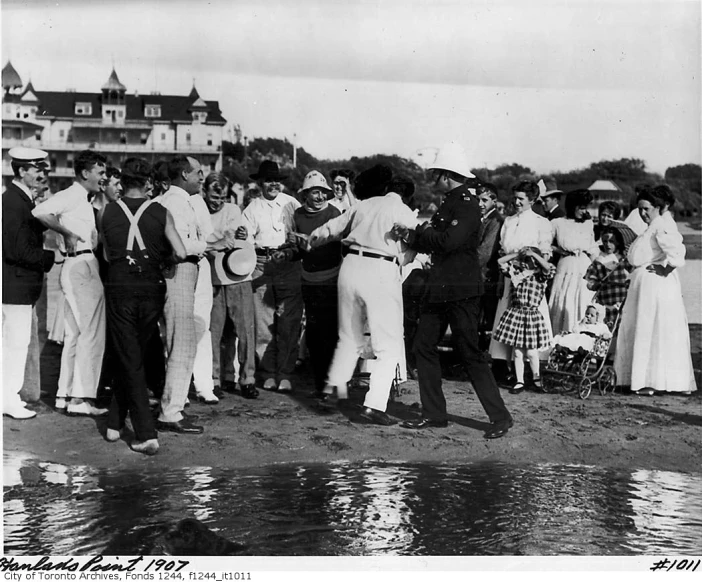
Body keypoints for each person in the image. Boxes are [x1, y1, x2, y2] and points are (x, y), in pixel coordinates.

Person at [393, 142, 513, 439]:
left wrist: (418, 233)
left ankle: (500, 417)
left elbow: (447, 241)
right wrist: (416, 235)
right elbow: (438, 238)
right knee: (423, 345)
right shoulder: (452, 203)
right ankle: (434, 413)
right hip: (442, 287)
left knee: (470, 352)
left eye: (437, 175)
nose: (434, 181)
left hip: (460, 289)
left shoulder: (466, 204)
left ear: (447, 176)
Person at [308, 165, 417, 425]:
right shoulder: (401, 210)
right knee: (388, 344)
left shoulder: (364, 205)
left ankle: (333, 389)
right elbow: (415, 244)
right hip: (380, 268)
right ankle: (374, 405)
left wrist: (312, 238)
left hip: (350, 267)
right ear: (407, 196)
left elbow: (330, 228)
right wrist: (404, 259)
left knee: (349, 336)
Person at [101, 157, 187, 455]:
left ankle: (143, 432)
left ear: (122, 182)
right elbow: (181, 251)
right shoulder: (161, 211)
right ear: (148, 182)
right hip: (152, 286)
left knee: (128, 355)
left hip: (120, 286)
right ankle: (118, 423)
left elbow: (106, 252)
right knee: (133, 353)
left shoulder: (107, 211)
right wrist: (163, 260)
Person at [33, 150, 108, 416]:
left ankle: (65, 396)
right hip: (81, 266)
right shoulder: (73, 195)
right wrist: (66, 233)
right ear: (85, 173)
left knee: (75, 335)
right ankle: (81, 399)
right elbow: (41, 211)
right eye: (100, 172)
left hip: (79, 266)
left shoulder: (84, 199)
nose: (104, 177)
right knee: (91, 333)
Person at [614, 186, 697, 396]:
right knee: (647, 328)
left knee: (651, 328)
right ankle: (645, 380)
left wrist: (666, 267)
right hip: (645, 284)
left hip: (655, 284)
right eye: (640, 209)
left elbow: (678, 253)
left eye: (647, 209)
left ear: (659, 208)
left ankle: (650, 381)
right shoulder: (653, 225)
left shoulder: (662, 225)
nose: (643, 213)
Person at [2, 147, 55, 419]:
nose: (42, 174)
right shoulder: (14, 201)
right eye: (37, 169)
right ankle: (8, 399)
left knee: (11, 342)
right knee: (15, 343)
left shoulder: (19, 199)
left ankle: (8, 397)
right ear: (22, 171)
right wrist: (49, 257)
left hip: (16, 286)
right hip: (16, 285)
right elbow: (15, 250)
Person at [156, 155, 208, 434]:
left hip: (181, 273)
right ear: (184, 174)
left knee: (178, 341)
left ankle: (171, 403)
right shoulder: (174, 202)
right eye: (198, 173)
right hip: (177, 271)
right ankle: (170, 412)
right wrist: (206, 245)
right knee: (182, 342)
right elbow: (177, 244)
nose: (202, 178)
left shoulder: (178, 200)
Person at [242, 160, 303, 392]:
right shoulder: (252, 208)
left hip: (288, 262)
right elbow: (245, 240)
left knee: (288, 320)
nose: (273, 184)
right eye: (268, 180)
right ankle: (267, 372)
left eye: (276, 180)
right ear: (260, 183)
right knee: (264, 322)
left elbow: (302, 231)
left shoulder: (292, 204)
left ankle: (285, 372)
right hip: (261, 262)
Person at [489, 180, 553, 375]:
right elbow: (503, 248)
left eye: (521, 198)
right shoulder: (508, 221)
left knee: (529, 320)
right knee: (506, 318)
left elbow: (545, 253)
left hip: (531, 280)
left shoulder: (541, 223)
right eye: (514, 198)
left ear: (532, 200)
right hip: (510, 275)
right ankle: (505, 365)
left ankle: (530, 369)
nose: (516, 202)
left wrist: (529, 261)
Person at [204, 172, 258, 399]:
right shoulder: (197, 209)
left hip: (237, 276)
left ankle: (247, 379)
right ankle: (215, 379)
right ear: (204, 192)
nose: (217, 202)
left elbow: (231, 237)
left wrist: (213, 241)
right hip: (212, 278)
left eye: (222, 197)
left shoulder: (234, 210)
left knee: (245, 331)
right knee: (214, 333)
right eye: (213, 196)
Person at [291, 170, 343, 398]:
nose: (320, 197)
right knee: (313, 334)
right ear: (306, 194)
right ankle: (319, 384)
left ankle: (334, 385)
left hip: (331, 279)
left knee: (330, 333)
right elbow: (294, 249)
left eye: (323, 192)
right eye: (315, 192)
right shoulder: (297, 215)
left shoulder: (335, 212)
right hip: (308, 280)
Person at [493, 247, 556, 394]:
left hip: (531, 316)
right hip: (517, 314)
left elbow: (549, 267)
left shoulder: (540, 276)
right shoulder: (517, 274)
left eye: (532, 260)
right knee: (517, 352)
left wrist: (534, 254)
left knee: (532, 352)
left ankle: (536, 378)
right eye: (526, 260)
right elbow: (500, 261)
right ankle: (519, 380)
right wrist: (518, 254)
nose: (529, 263)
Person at [549, 189, 599, 337]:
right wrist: (558, 250)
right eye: (581, 207)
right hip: (566, 265)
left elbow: (592, 246)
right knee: (563, 300)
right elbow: (544, 244)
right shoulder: (557, 223)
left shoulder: (588, 223)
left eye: (586, 207)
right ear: (572, 206)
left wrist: (596, 267)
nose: (584, 211)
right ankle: (560, 341)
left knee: (582, 300)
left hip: (583, 265)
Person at [584, 226, 631, 325]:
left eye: (611, 241)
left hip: (622, 298)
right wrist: (595, 284)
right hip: (605, 299)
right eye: (605, 241)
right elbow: (590, 282)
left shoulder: (625, 260)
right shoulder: (599, 261)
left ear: (618, 242)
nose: (608, 244)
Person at [476, 182, 503, 347]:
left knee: (488, 317)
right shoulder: (481, 218)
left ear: (494, 201)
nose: (480, 204)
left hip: (487, 276)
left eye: (484, 200)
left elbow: (484, 253)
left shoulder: (495, 221)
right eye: (478, 200)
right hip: (479, 275)